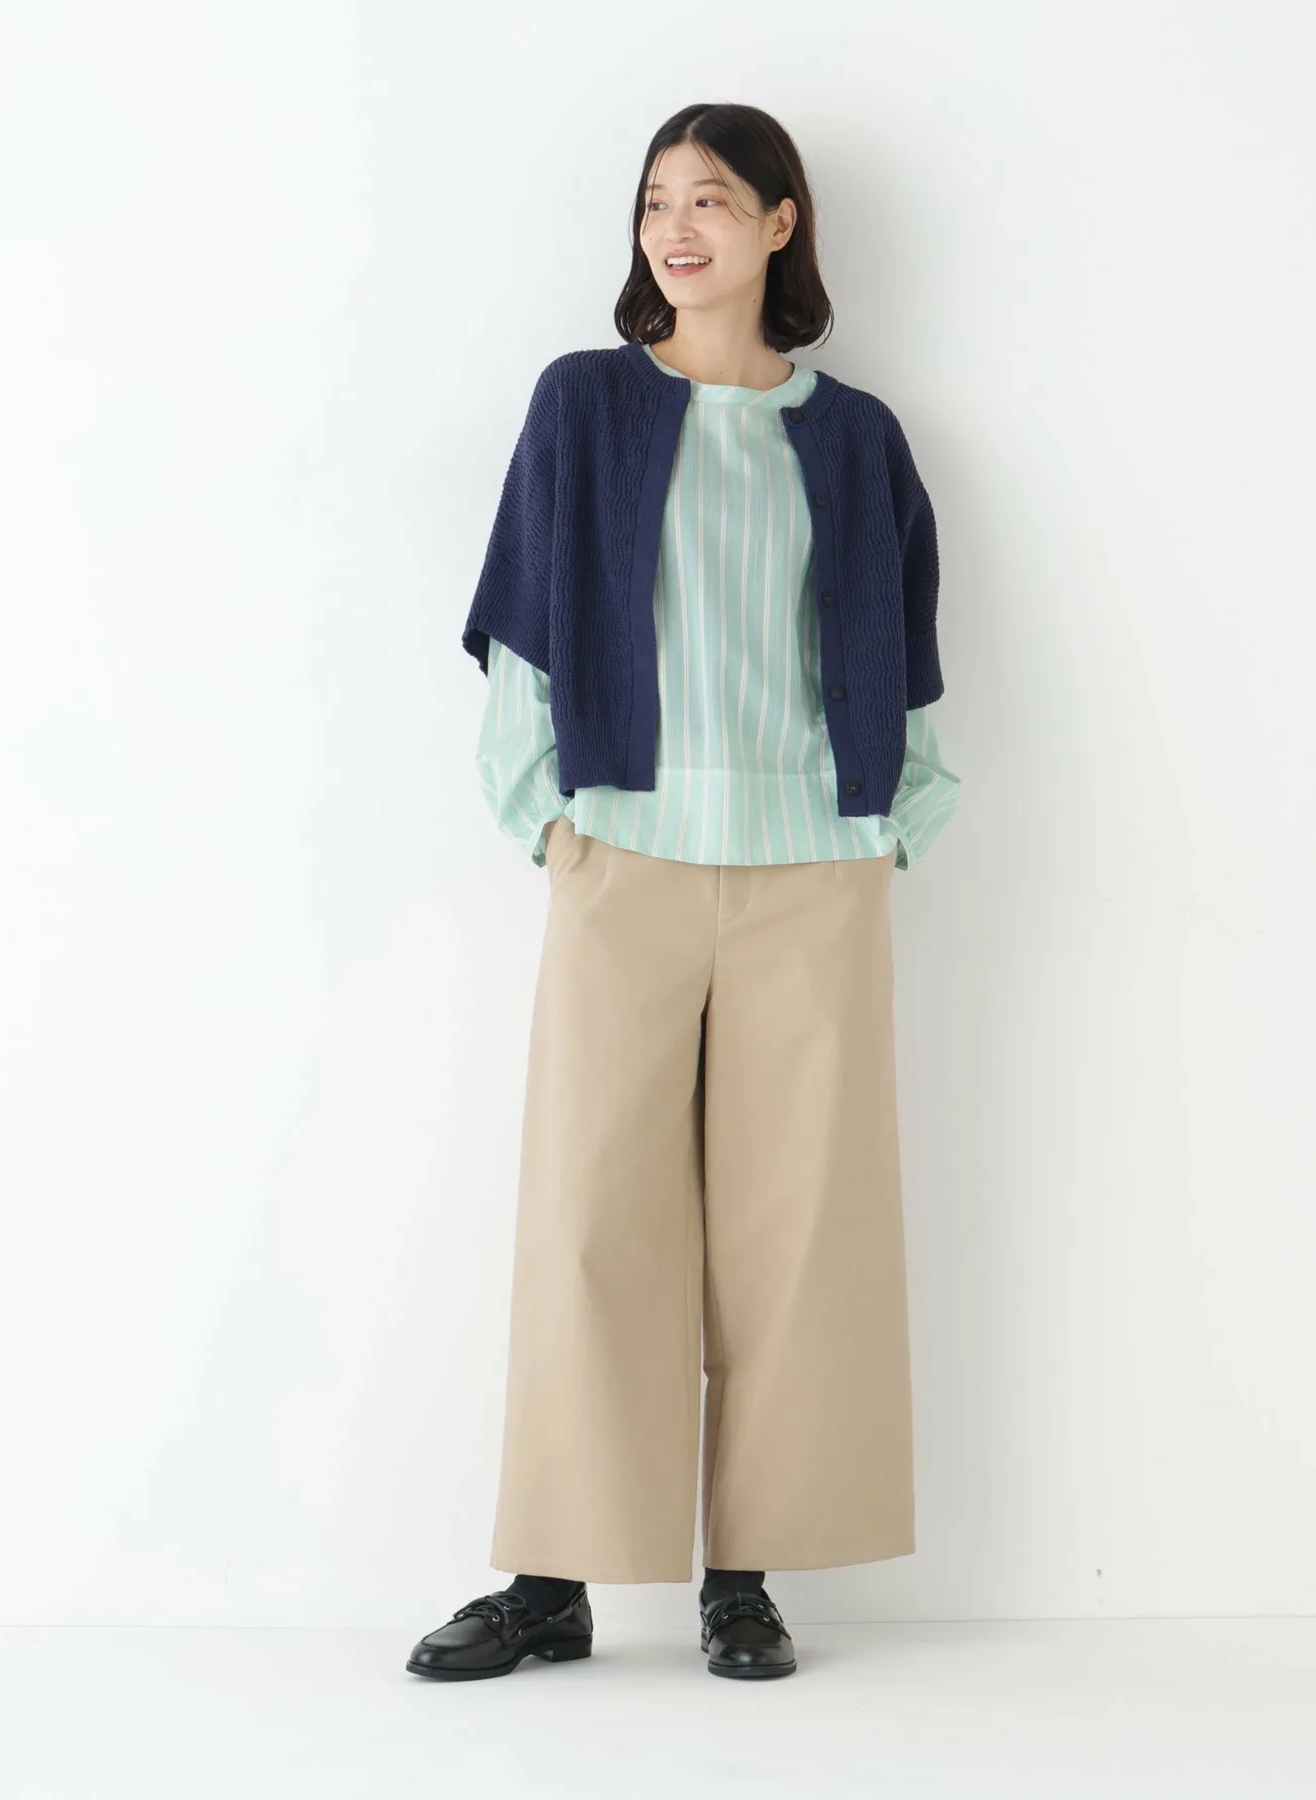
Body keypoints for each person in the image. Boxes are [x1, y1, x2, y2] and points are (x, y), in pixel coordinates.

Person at [407, 102, 961, 1684]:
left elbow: (902, 647)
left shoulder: (854, 436)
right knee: (593, 1218)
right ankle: (554, 1579)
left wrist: (895, 823)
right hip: (626, 856)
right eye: (657, 201)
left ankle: (745, 1579)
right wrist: (549, 819)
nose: (676, 228)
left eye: (711, 199)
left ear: (782, 223)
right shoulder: (583, 405)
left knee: (798, 1232)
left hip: (813, 869)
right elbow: (524, 628)